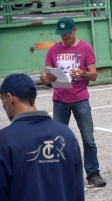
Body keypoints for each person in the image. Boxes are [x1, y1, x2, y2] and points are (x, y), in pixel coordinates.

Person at [40, 17, 106, 187]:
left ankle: (93, 173)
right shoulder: (53, 49)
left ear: (75, 30)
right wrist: (45, 77)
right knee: (56, 138)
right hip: (60, 99)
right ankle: (57, 174)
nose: (64, 37)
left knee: (88, 138)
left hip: (80, 98)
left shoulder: (85, 48)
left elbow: (94, 74)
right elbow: (44, 72)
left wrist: (82, 74)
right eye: (61, 34)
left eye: (67, 33)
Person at [0, 73, 84, 201]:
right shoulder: (66, 134)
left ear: (9, 98)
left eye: (2, 100)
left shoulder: (5, 139)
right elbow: (77, 189)